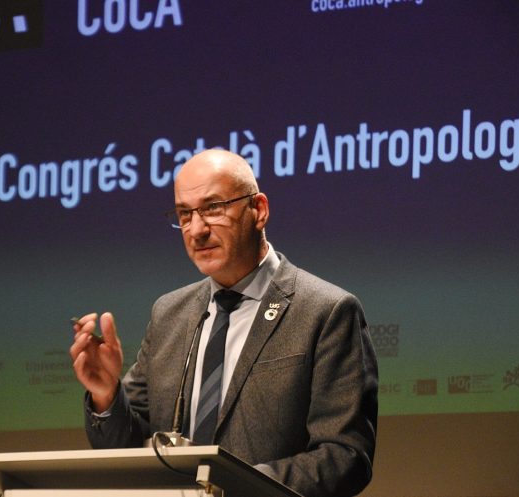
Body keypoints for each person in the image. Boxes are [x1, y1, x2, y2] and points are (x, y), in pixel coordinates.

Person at [70, 149, 378, 497]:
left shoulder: (326, 311)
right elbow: (128, 451)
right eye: (185, 214)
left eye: (213, 208)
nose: (197, 230)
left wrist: (229, 486)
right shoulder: (169, 314)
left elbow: (345, 456)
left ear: (258, 210)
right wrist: (106, 395)